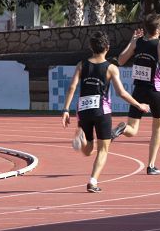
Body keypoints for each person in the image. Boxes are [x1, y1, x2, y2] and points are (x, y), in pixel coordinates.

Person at [61, 32, 150, 193]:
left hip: (83, 110)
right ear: (107, 48)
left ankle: (81, 138)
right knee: (103, 149)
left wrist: (66, 109)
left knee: (87, 151)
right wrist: (139, 105)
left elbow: (72, 87)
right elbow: (121, 92)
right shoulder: (111, 68)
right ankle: (92, 181)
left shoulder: (81, 65)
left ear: (90, 47)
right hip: (102, 111)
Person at [112, 13, 160, 175]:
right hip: (156, 91)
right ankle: (151, 165)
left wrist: (132, 41)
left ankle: (122, 130)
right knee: (157, 127)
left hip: (139, 90)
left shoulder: (138, 41)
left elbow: (120, 60)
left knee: (133, 130)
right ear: (157, 29)